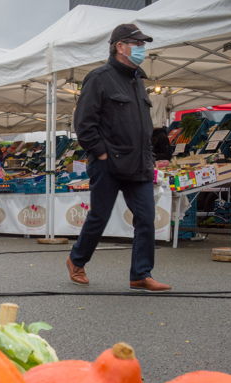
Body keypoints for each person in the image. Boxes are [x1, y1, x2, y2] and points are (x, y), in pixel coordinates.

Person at [66, 24, 171, 292]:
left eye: (143, 45)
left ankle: (140, 274)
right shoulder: (99, 77)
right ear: (119, 46)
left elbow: (143, 126)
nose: (142, 50)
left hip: (139, 163)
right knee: (99, 216)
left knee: (146, 218)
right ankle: (76, 260)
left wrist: (151, 156)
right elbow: (84, 123)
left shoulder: (138, 81)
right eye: (137, 45)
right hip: (109, 162)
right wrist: (101, 153)